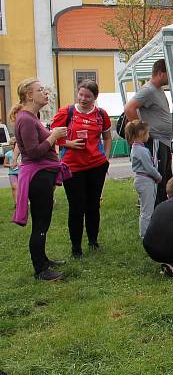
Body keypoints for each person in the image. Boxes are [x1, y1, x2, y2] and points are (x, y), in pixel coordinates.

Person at [10, 78, 70, 281]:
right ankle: (41, 270)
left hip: (42, 175)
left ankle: (43, 260)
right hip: (38, 177)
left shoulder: (30, 117)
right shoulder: (26, 119)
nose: (45, 93)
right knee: (40, 223)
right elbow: (34, 152)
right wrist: (53, 137)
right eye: (40, 90)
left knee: (43, 222)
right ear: (29, 95)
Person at [50, 80, 112, 259]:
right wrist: (69, 143)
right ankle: (76, 248)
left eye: (88, 96)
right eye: (81, 94)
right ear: (77, 93)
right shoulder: (67, 112)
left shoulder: (101, 114)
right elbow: (52, 136)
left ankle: (93, 241)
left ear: (95, 98)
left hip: (96, 166)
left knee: (93, 205)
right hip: (72, 167)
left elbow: (107, 137)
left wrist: (106, 158)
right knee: (76, 207)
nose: (83, 99)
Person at [123, 59, 173, 205]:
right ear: (160, 73)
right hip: (156, 141)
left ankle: (163, 212)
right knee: (158, 181)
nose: (170, 78)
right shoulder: (148, 90)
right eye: (168, 74)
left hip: (163, 141)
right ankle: (156, 212)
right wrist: (142, 133)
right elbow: (129, 108)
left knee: (164, 178)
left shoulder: (158, 90)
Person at [126, 120, 162, 239]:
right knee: (147, 211)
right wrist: (158, 176)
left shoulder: (136, 148)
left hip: (143, 180)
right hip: (145, 181)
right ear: (141, 134)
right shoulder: (141, 150)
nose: (148, 135)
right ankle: (145, 236)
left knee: (145, 209)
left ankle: (147, 233)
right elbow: (149, 168)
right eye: (147, 133)